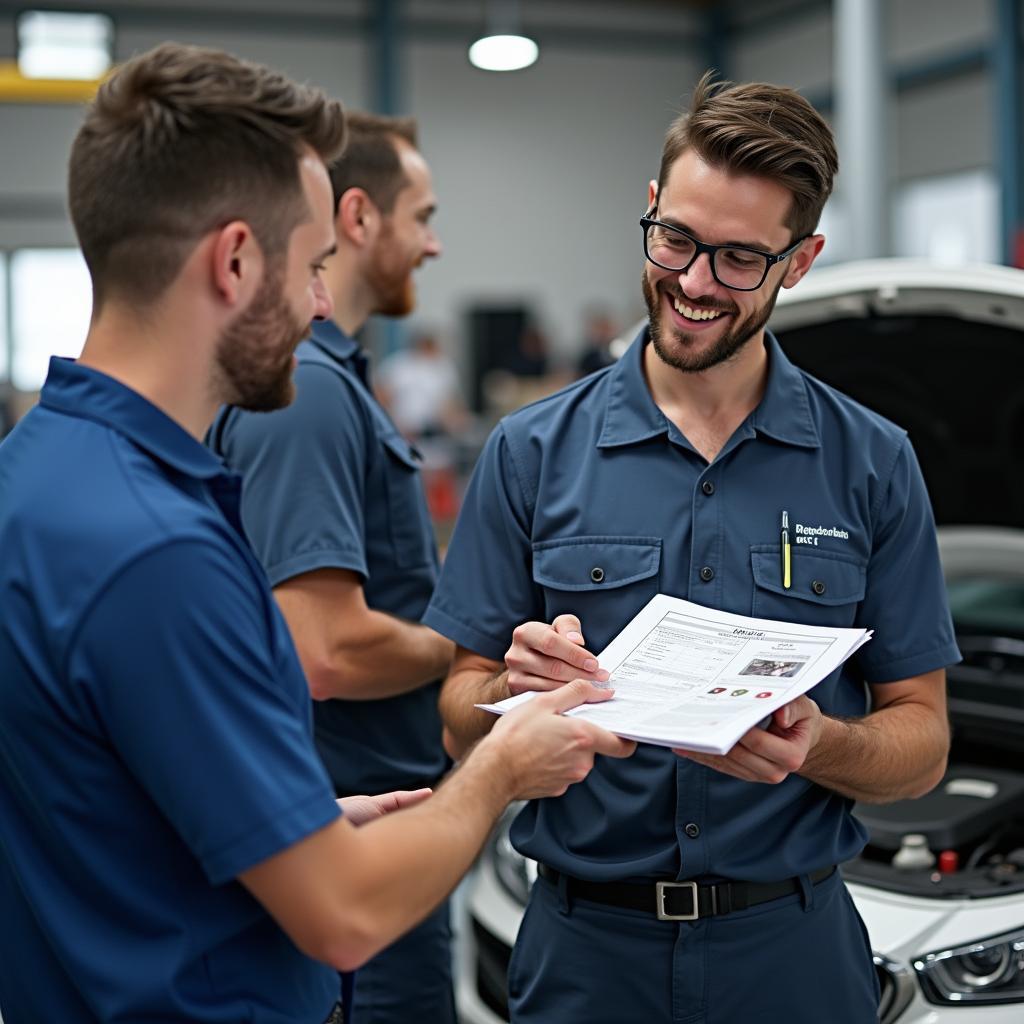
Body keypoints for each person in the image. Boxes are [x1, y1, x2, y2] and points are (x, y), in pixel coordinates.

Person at [0, 44, 635, 1024]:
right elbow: (343, 914)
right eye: (309, 267)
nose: (318, 304)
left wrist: (304, 824)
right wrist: (498, 770)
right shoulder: (158, 549)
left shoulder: (37, 475)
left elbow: (104, 800)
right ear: (236, 260)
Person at [425, 73, 959, 1024]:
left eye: (741, 258)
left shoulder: (873, 463)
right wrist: (512, 697)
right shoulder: (530, 452)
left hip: (792, 958)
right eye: (676, 239)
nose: (695, 282)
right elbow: (459, 713)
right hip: (588, 955)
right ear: (650, 209)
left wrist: (821, 746)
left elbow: (920, 741)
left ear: (801, 260)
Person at [207, 112, 458, 1024]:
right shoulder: (308, 392)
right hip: (353, 839)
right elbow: (322, 648)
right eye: (420, 216)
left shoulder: (333, 382)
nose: (432, 245)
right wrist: (464, 643)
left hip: (373, 827)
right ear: (357, 217)